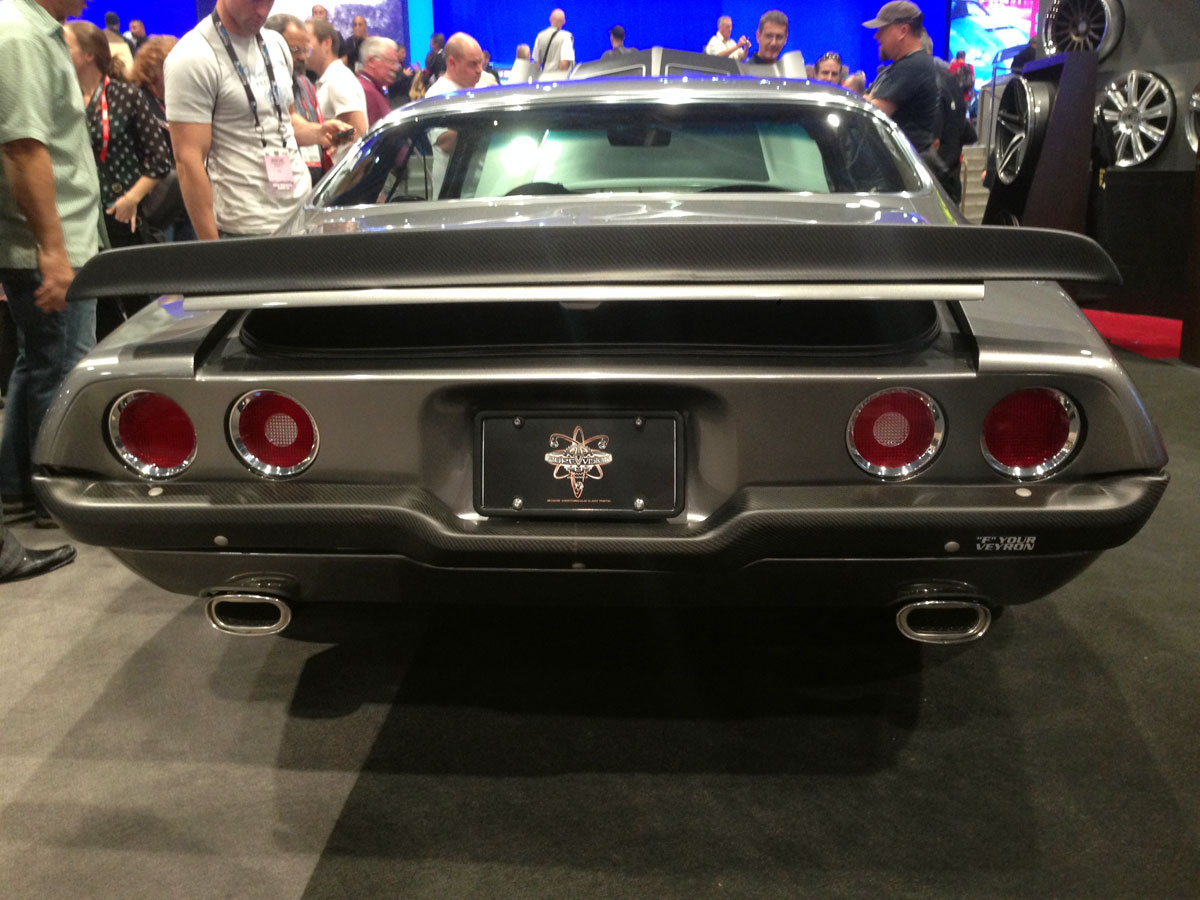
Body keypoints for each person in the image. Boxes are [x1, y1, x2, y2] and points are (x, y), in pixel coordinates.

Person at [0, 0, 100, 538]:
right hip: (52, 241)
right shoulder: (19, 35)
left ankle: (18, 488)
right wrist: (54, 250)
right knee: (61, 369)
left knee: (40, 364)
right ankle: (54, 496)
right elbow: (23, 150)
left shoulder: (38, 30)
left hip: (57, 236)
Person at [164, 0, 351, 240]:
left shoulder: (276, 44)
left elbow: (285, 120)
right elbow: (189, 161)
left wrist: (318, 132)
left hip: (301, 214)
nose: (262, 10)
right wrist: (212, 251)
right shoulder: (193, 56)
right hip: (245, 228)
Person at [65, 22, 172, 252]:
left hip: (122, 212)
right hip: (78, 215)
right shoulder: (63, 100)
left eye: (66, 47)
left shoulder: (126, 96)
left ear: (89, 54)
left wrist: (132, 198)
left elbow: (160, 159)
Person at [863, 0, 939, 154]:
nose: (877, 36)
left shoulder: (914, 66)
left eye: (882, 29)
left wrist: (868, 99)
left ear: (903, 31)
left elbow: (870, 113)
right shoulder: (901, 66)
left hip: (901, 164)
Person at [265, 13, 324, 186]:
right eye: (295, 50)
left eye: (306, 50)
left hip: (313, 182)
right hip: (278, 182)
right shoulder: (261, 89)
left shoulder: (306, 84)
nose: (302, 57)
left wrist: (323, 134)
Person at [424, 32, 485, 196]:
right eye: (472, 64)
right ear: (452, 62)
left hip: (481, 188)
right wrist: (483, 123)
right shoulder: (437, 95)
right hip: (453, 193)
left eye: (480, 63)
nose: (479, 70)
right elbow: (445, 142)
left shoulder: (481, 89)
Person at [308, 16, 368, 163]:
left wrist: (330, 144)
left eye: (307, 41)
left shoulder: (338, 79)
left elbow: (359, 131)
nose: (303, 47)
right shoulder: (330, 78)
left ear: (326, 43)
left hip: (345, 171)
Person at [356, 35, 399, 125]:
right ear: (371, 61)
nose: (395, 68)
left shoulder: (372, 88)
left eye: (396, 63)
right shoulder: (366, 92)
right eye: (391, 62)